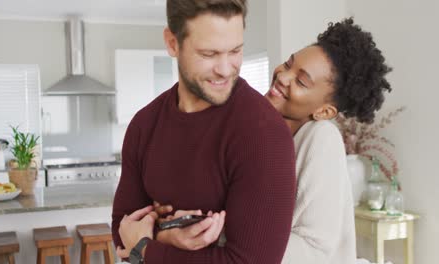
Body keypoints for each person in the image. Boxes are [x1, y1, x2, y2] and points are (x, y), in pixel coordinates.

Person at [153, 18, 392, 264]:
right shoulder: (254, 132)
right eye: (289, 64)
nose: (283, 77)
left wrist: (226, 236)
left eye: (301, 81)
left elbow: (315, 250)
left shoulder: (321, 139)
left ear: (324, 112)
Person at [111, 0, 296, 263]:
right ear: (173, 43)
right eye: (209, 54)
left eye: (235, 51)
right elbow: (122, 229)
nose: (224, 69)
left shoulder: (263, 133)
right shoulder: (144, 125)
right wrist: (167, 237)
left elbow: (251, 261)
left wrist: (146, 248)